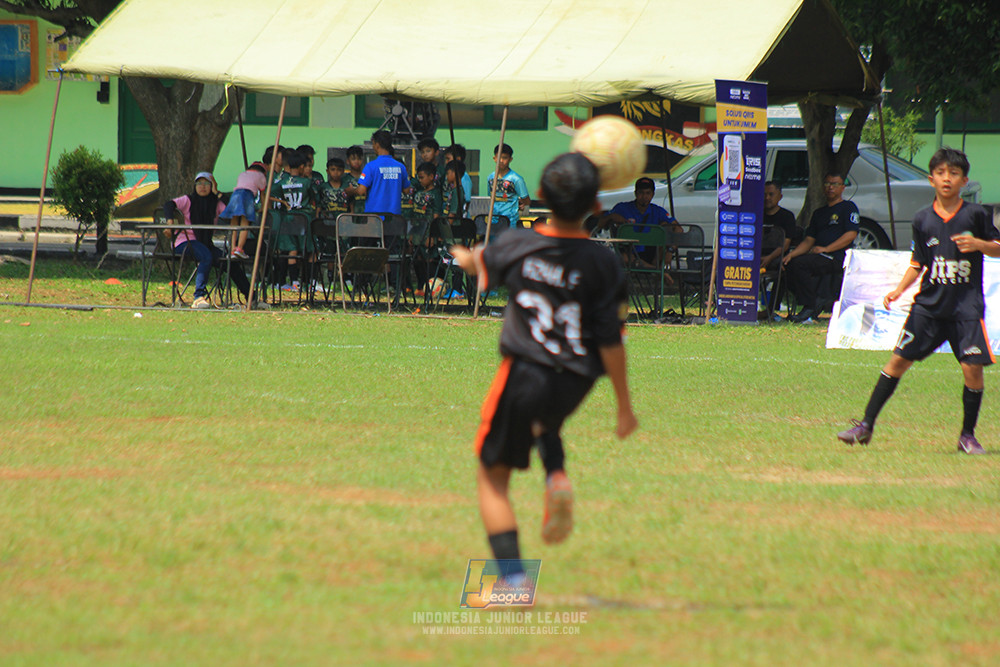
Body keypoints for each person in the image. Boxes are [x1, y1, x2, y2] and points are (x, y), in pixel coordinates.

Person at [450, 152, 637, 583]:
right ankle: (556, 476)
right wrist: (623, 407)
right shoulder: (604, 262)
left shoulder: (518, 243)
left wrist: (468, 259)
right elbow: (611, 341)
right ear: (595, 207)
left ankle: (513, 581)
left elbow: (485, 266)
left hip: (524, 373)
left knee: (491, 478)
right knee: (542, 422)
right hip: (576, 380)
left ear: (538, 197)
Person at [837, 148, 1000, 455]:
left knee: (972, 371)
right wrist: (899, 290)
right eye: (941, 173)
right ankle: (866, 425)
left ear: (964, 180)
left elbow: (997, 247)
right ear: (931, 179)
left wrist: (979, 244)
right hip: (928, 307)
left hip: (965, 307)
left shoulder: (976, 215)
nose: (947, 178)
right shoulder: (923, 219)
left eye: (953, 173)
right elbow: (918, 262)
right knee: (897, 361)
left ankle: (967, 436)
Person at [163, 172, 251, 309]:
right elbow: (169, 204)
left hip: (205, 244)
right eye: (199, 183)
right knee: (206, 256)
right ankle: (198, 297)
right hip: (184, 243)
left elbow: (234, 209)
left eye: (206, 184)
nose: (202, 187)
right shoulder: (188, 200)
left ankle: (251, 297)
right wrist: (169, 223)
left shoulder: (216, 203)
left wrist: (218, 194)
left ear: (212, 186)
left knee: (229, 262)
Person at [782, 172, 859, 322]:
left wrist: (826, 249)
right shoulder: (819, 213)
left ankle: (809, 307)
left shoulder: (848, 207)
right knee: (789, 265)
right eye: (827, 184)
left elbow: (851, 234)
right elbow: (809, 240)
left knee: (800, 265)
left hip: (835, 257)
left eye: (835, 184)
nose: (830, 187)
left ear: (842, 187)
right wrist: (791, 254)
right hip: (818, 256)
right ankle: (815, 300)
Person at [599, 177, 679, 268]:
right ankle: (658, 272)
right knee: (623, 257)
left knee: (665, 226)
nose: (644, 197)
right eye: (641, 193)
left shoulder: (658, 211)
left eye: (648, 193)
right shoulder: (622, 208)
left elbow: (678, 228)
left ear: (653, 194)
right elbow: (600, 224)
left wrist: (670, 251)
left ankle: (655, 270)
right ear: (636, 193)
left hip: (651, 253)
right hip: (628, 251)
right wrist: (611, 216)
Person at [759, 180, 799, 314]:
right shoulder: (756, 215)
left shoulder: (787, 217)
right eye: (764, 194)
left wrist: (769, 258)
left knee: (783, 270)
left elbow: (785, 244)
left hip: (777, 256)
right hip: (755, 256)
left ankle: (771, 309)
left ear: (780, 196)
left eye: (771, 194)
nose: (767, 198)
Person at [356, 130, 412, 215]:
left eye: (373, 144)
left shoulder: (370, 166)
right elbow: (407, 190)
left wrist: (350, 191)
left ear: (377, 145)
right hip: (394, 218)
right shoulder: (401, 167)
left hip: (374, 218)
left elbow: (361, 191)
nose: (373, 147)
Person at [221, 161, 268, 260]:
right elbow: (263, 193)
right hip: (247, 195)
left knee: (234, 223)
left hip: (235, 195)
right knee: (245, 223)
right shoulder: (261, 176)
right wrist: (263, 207)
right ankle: (239, 248)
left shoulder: (242, 174)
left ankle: (232, 248)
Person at [486, 143, 530, 230]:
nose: (501, 160)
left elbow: (526, 200)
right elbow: (491, 196)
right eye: (499, 157)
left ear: (510, 159)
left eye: (504, 158)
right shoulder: (491, 178)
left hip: (510, 221)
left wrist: (521, 203)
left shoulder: (516, 179)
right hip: (494, 220)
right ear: (494, 158)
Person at [343, 145, 366, 213]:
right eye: (353, 159)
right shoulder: (344, 180)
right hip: (350, 215)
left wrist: (353, 191)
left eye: (359, 159)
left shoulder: (367, 178)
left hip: (367, 215)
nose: (356, 161)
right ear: (348, 161)